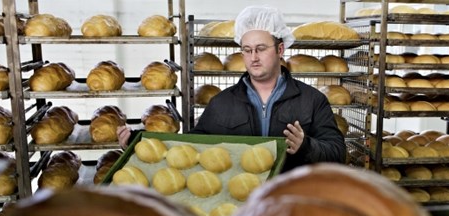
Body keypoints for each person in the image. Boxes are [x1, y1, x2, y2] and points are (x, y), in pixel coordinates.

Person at [117, 5, 346, 173]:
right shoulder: (222, 103)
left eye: (261, 48)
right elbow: (190, 147)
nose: (253, 58)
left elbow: (337, 151)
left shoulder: (312, 100)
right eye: (247, 50)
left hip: (291, 203)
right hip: (239, 201)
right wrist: (139, 141)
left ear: (280, 49)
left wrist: (306, 146)